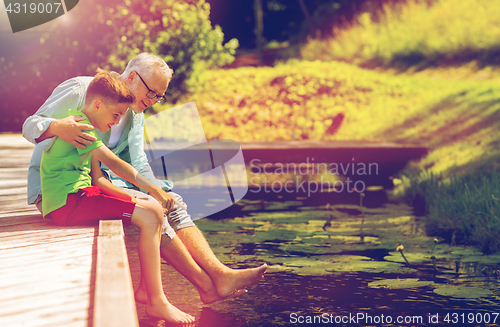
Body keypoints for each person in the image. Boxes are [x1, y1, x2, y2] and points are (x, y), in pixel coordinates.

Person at [23, 53, 267, 304]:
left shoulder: (134, 112)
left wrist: (159, 190)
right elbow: (30, 125)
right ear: (131, 76)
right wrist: (58, 127)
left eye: (159, 96)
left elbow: (136, 160)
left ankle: (219, 274)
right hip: (58, 191)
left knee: (169, 200)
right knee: (151, 209)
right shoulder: (83, 90)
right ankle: (202, 285)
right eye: (151, 93)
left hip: (95, 181)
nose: (153, 101)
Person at [40, 70, 195, 324]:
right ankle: (157, 301)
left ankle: (148, 290)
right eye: (115, 116)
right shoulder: (82, 126)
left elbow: (98, 179)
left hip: (80, 196)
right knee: (149, 215)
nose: (116, 123)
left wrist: (137, 198)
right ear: (98, 104)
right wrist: (154, 189)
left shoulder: (91, 128)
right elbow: (117, 166)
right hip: (68, 204)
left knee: (152, 208)